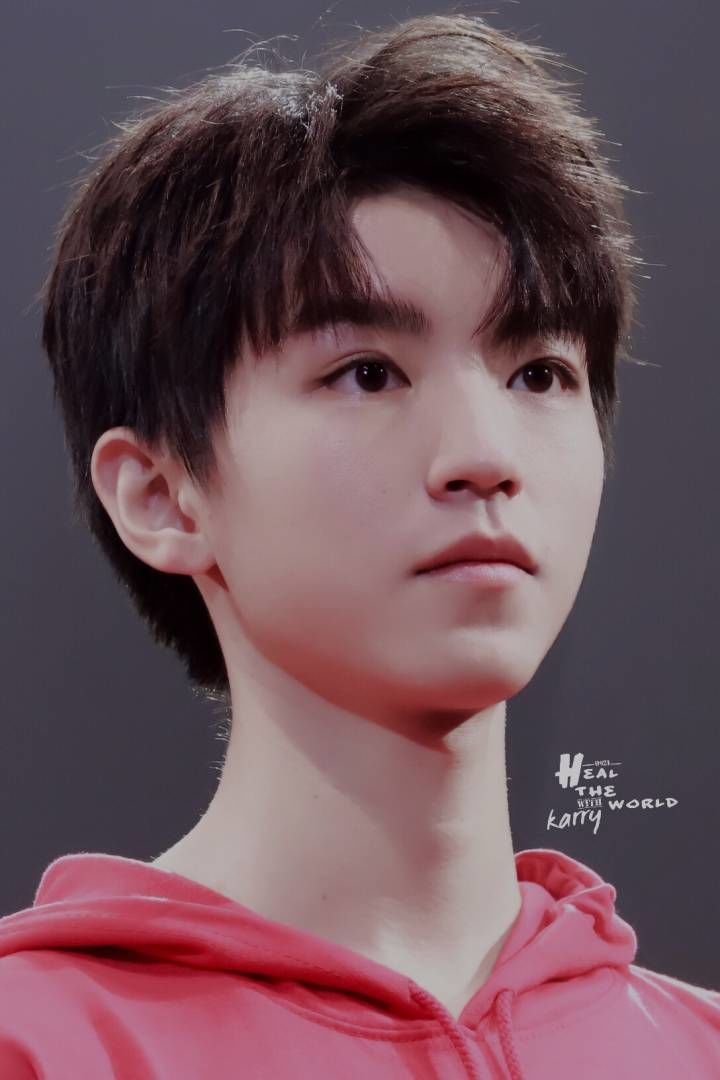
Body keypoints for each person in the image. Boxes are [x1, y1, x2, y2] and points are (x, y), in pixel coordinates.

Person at [1, 10, 717, 1079]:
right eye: (368, 374)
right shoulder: (41, 1044)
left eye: (539, 374)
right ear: (160, 496)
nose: (484, 456)